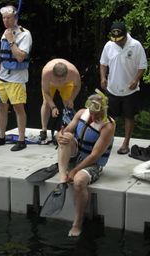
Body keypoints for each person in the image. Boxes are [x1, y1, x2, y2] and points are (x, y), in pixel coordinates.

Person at [55, 90, 115, 236]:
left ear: (104, 111)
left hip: (92, 163)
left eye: (98, 115)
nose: (94, 118)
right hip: (76, 155)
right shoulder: (81, 113)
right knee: (67, 136)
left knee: (79, 181)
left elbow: (94, 156)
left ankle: (77, 223)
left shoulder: (108, 126)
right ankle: (62, 176)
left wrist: (75, 170)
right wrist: (59, 136)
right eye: (92, 114)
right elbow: (66, 131)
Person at [0, 5, 32, 151]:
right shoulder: (5, 33)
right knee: (1, 106)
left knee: (18, 107)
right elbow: (3, 57)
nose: (6, 20)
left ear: (15, 18)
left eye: (8, 17)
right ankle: (2, 136)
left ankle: (21, 140)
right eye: (3, 18)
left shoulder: (25, 35)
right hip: (2, 78)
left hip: (17, 79)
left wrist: (11, 40)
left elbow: (20, 57)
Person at [100, 22, 147, 155]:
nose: (118, 43)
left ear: (126, 34)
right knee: (109, 117)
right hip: (112, 87)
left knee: (129, 116)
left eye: (120, 40)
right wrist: (103, 77)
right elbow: (103, 63)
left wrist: (136, 80)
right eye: (116, 40)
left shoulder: (136, 45)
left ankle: (126, 143)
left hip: (130, 89)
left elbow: (142, 65)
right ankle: (107, 141)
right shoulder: (109, 45)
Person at [40, 58, 81, 141]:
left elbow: (77, 86)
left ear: (67, 74)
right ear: (52, 74)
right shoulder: (46, 73)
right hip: (50, 84)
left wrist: (71, 99)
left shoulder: (74, 72)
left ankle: (68, 129)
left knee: (68, 105)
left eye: (62, 79)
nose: (59, 82)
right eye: (57, 79)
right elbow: (46, 91)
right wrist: (53, 107)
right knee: (46, 103)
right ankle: (44, 129)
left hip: (67, 85)